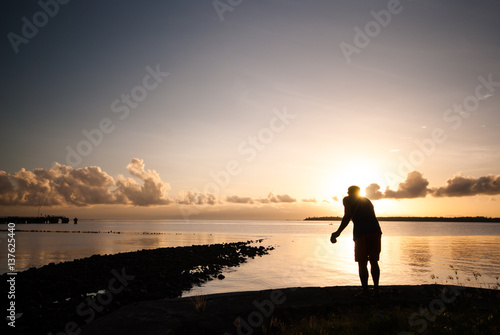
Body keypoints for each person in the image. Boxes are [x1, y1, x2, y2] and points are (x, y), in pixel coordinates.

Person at [331, 185, 382, 296]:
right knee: (374, 261)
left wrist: (338, 232)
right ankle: (376, 290)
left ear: (349, 192)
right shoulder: (366, 200)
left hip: (362, 232)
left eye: (348, 191)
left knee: (362, 262)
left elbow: (347, 216)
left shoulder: (347, 199)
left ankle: (365, 291)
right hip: (376, 230)